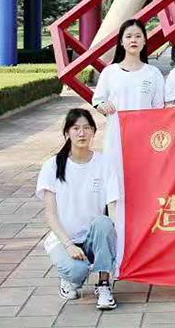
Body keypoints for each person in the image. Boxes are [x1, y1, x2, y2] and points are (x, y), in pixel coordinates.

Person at [92, 19, 165, 269]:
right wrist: (102, 106)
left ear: (144, 41)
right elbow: (98, 100)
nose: (133, 40)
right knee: (115, 190)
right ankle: (118, 247)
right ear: (121, 42)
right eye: (129, 36)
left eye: (138, 36)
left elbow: (159, 110)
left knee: (143, 191)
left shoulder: (153, 74)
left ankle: (143, 246)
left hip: (145, 145)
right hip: (116, 142)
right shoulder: (110, 73)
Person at [36, 109, 119, 310]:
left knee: (104, 223)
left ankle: (104, 285)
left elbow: (112, 206)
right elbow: (50, 214)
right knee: (76, 271)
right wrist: (68, 245)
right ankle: (69, 279)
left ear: (94, 132)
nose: (81, 133)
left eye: (87, 128)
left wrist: (117, 239)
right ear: (67, 133)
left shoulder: (104, 163)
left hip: (92, 238)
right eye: (75, 128)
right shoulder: (52, 166)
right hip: (64, 240)